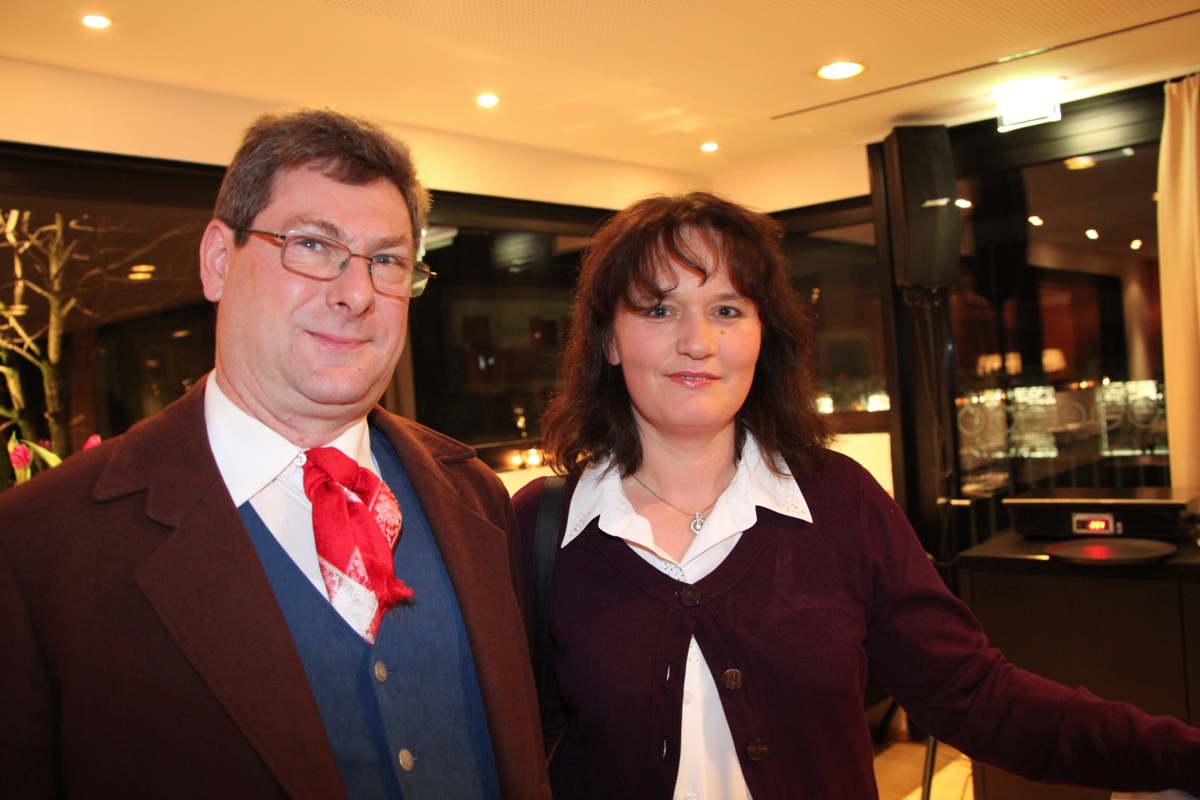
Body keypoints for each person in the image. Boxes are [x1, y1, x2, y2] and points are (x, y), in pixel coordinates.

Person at [511, 190, 1200, 800]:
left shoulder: (839, 502)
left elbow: (975, 695)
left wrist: (1179, 756)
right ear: (608, 339)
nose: (698, 341)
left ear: (762, 335)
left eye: (726, 309)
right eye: (660, 309)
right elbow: (503, 746)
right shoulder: (540, 527)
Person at [0, 108, 549, 799]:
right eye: (313, 245)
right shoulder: (38, 547)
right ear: (218, 261)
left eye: (386, 261)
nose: (356, 294)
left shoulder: (476, 497)